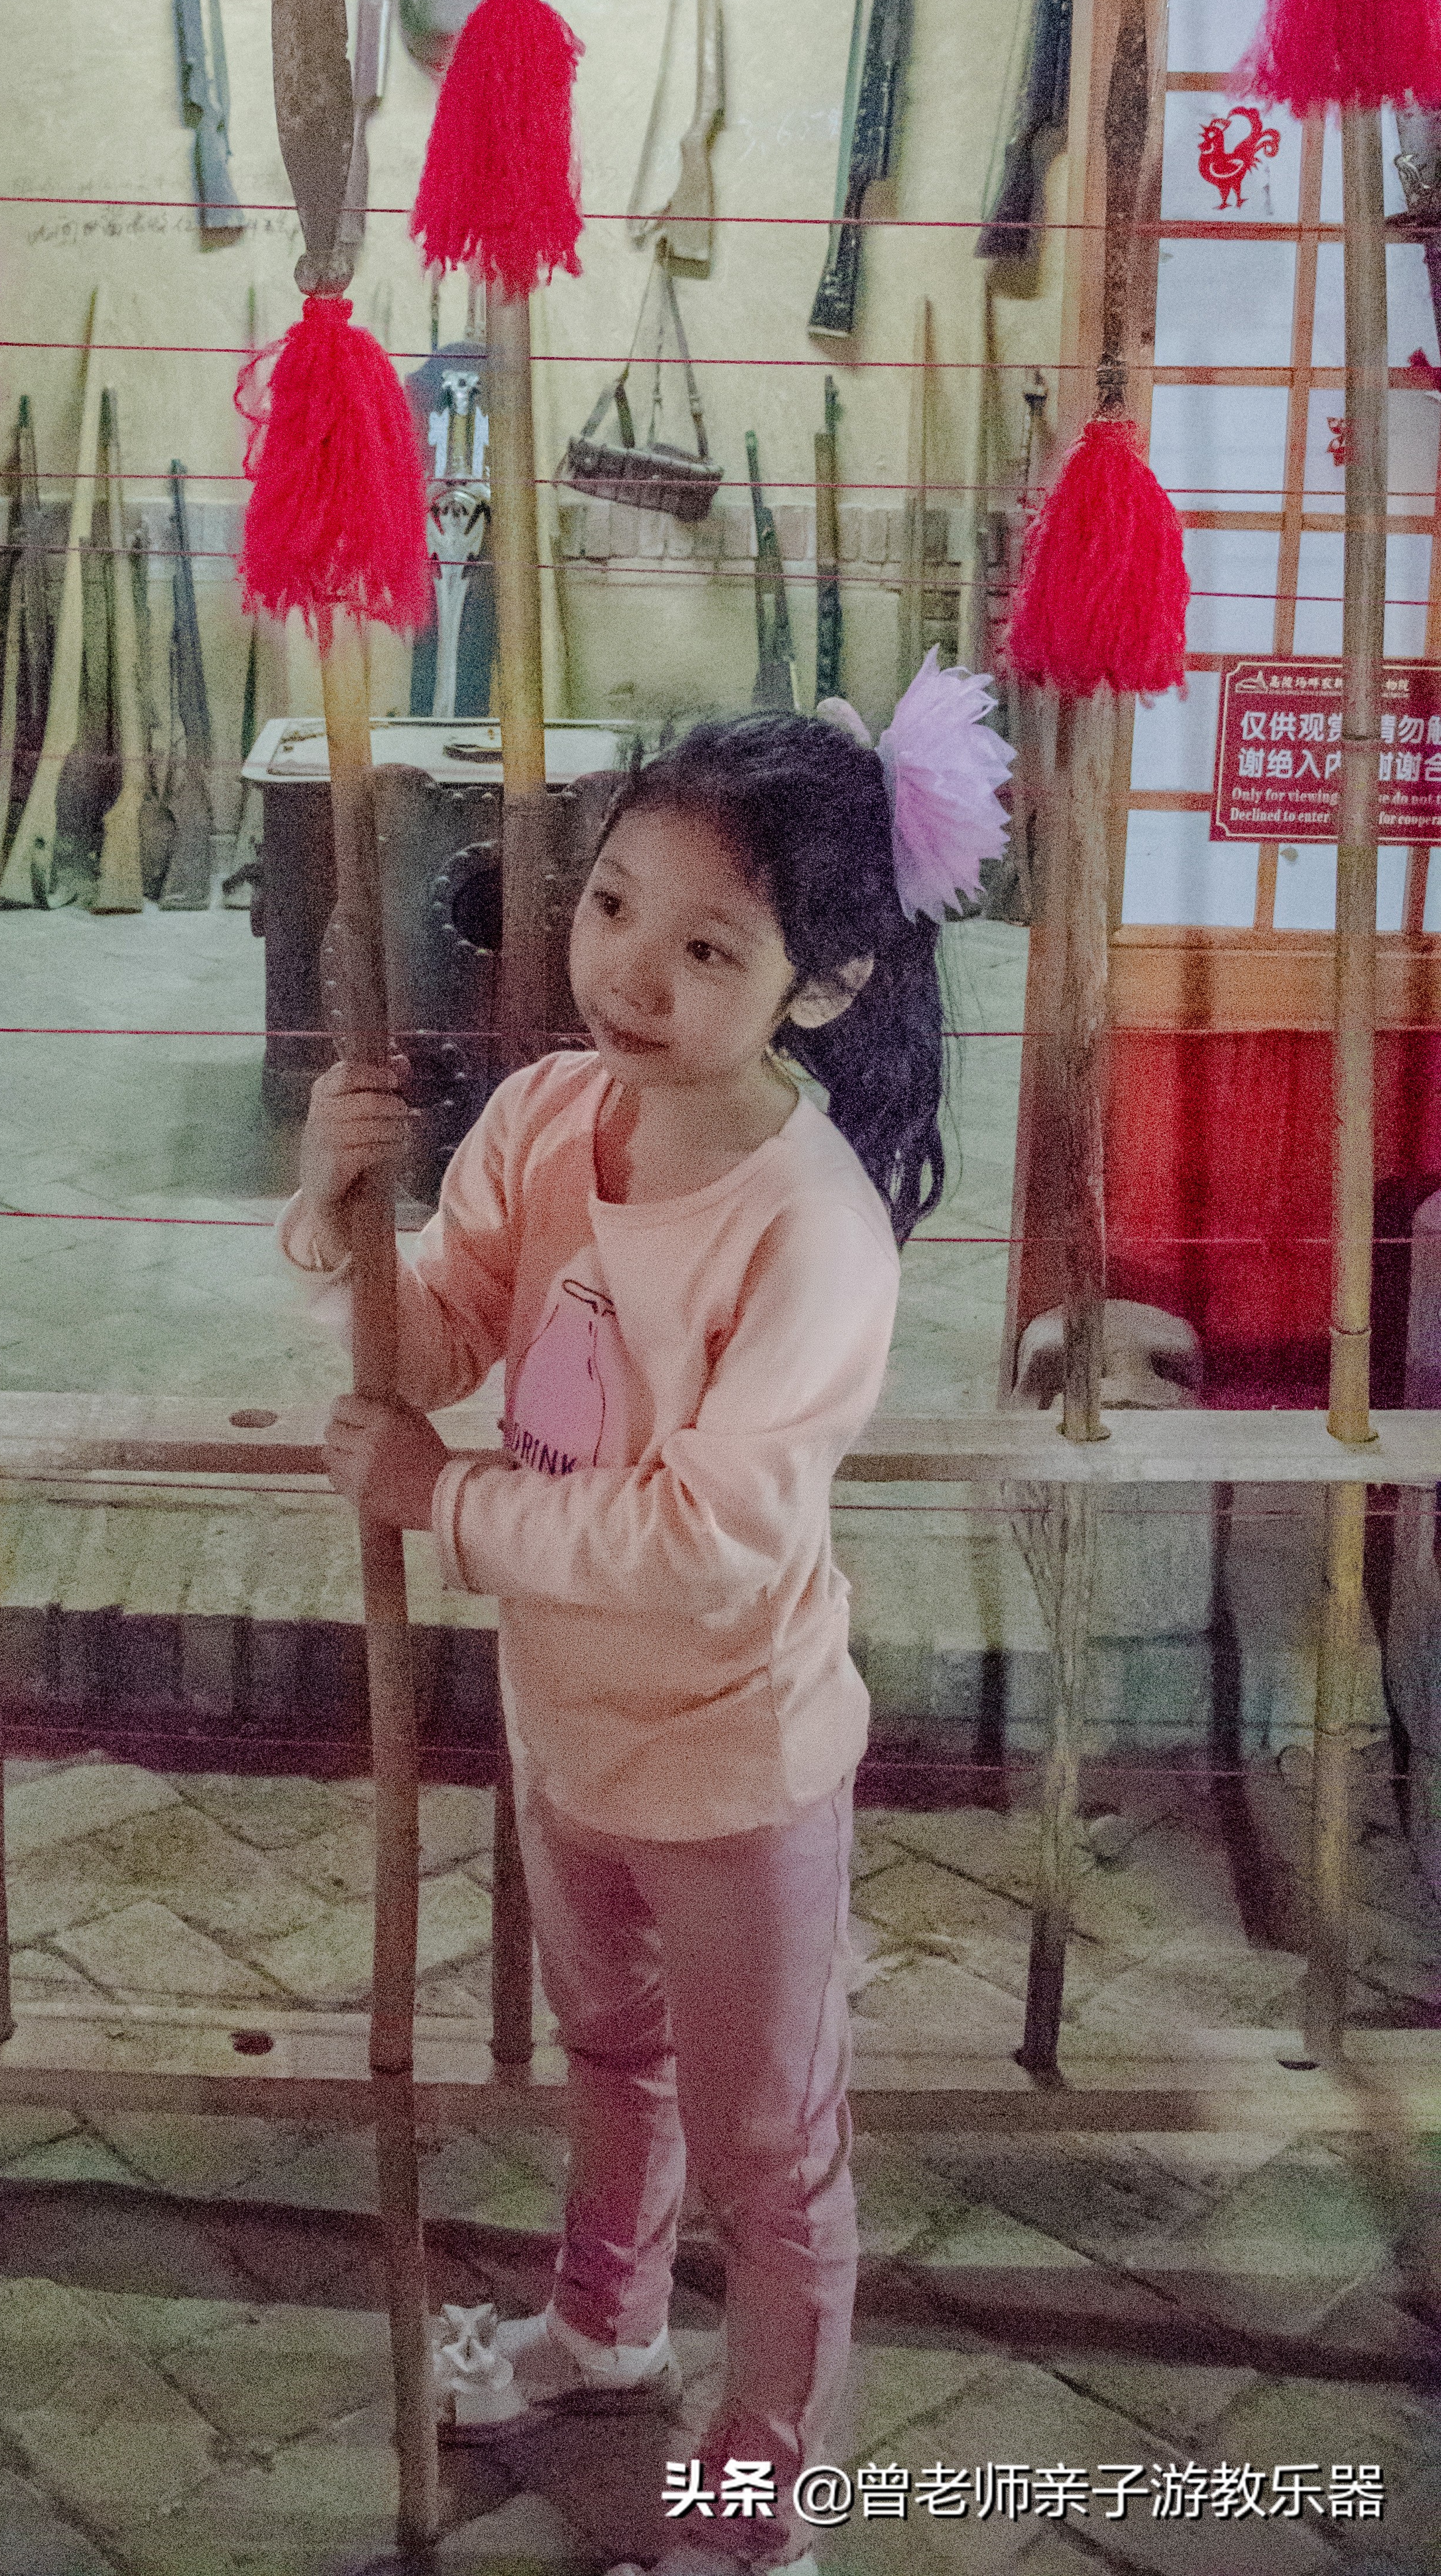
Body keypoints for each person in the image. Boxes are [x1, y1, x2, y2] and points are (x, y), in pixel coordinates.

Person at [284, 667, 1011, 2576]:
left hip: (733, 1757)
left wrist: (439, 1497)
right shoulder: (544, 1117)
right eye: (615, 906)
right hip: (568, 1722)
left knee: (776, 2155)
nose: (632, 972)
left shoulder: (811, 1231)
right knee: (611, 2060)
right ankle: (603, 2328)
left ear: (825, 987)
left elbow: (703, 1535)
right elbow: (436, 1332)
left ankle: (764, 2485)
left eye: (708, 947)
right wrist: (334, 1211)